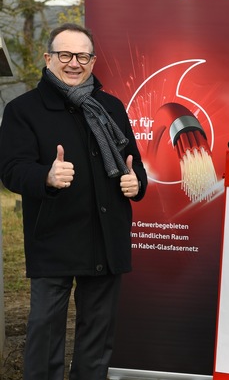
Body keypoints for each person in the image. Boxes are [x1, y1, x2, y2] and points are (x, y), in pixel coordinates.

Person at [0, 23, 148, 380]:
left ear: (93, 61)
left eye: (82, 56)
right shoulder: (23, 110)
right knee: (44, 334)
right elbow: (10, 170)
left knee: (96, 341)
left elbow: (135, 165)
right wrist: (46, 177)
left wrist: (135, 183)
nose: (74, 63)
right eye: (65, 54)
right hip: (54, 238)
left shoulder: (110, 107)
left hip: (106, 239)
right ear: (48, 58)